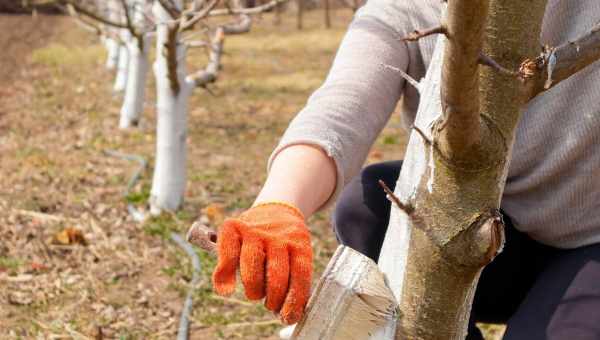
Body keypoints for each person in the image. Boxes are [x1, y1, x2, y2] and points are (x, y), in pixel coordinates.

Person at [211, 0, 600, 338]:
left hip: (589, 242)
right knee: (367, 208)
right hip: (485, 232)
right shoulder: (412, 7)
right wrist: (278, 205)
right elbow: (343, 104)